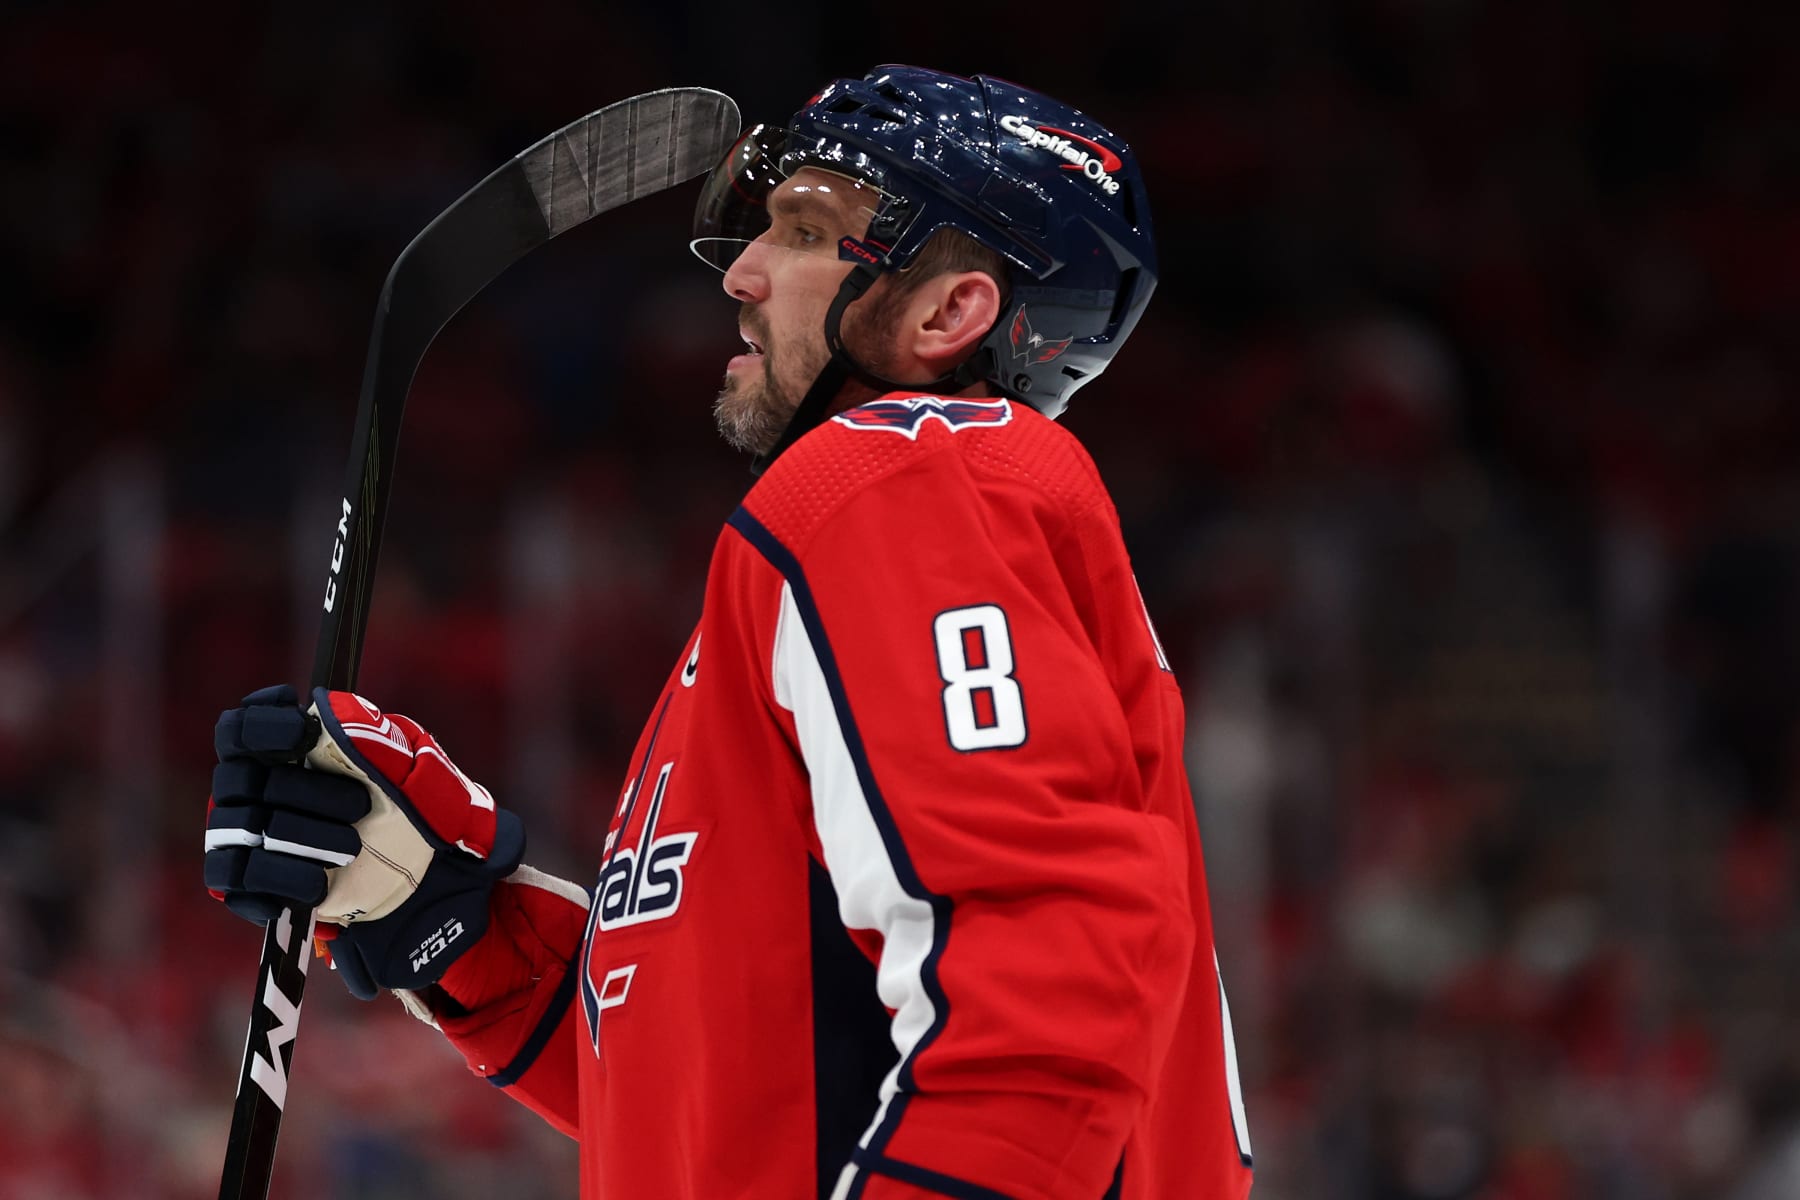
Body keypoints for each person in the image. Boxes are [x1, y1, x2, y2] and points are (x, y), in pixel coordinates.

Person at [204, 65, 1255, 1200]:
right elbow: (715, 1105)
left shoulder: (909, 474)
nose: (742, 273)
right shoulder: (827, 558)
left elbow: (1049, 977)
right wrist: (444, 916)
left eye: (805, 231)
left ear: (951, 311)